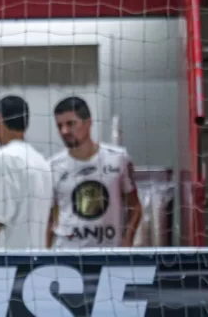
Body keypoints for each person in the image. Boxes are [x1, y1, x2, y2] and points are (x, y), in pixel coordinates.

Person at [47, 96, 143, 248]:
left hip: (109, 253)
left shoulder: (118, 158)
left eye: (71, 124)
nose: (64, 131)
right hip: (67, 254)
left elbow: (135, 206)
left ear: (88, 122)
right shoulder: (53, 166)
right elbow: (48, 217)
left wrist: (127, 238)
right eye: (60, 126)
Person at [0, 95, 53, 249]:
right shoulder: (41, 162)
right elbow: (25, 211)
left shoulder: (4, 157)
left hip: (11, 263)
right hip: (38, 259)